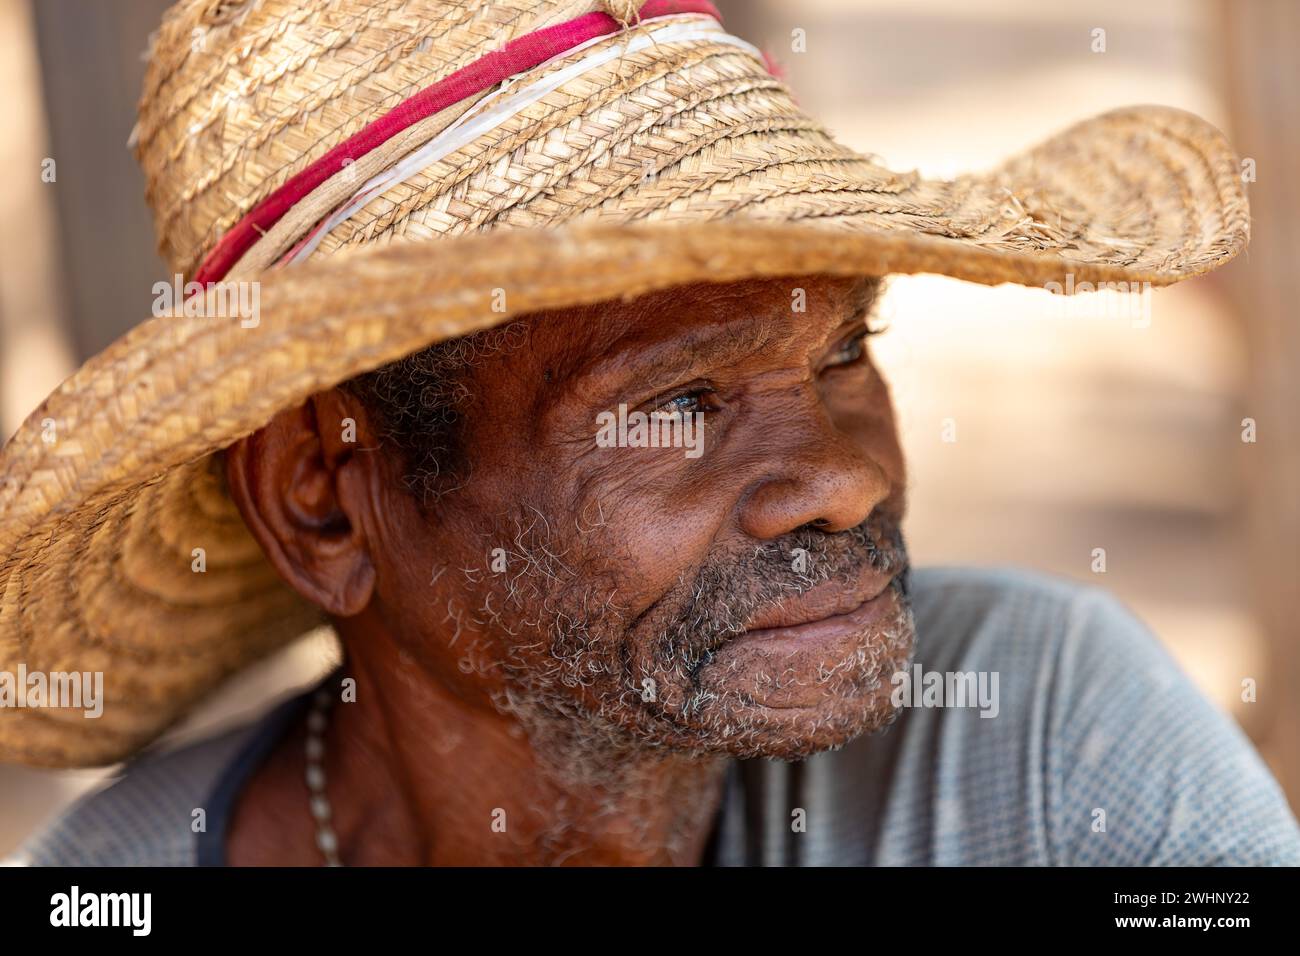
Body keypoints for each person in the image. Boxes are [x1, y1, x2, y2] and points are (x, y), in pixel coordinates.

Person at [3, 0, 1296, 866]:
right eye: (678, 405)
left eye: (846, 352)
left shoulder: (1045, 734)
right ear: (323, 504)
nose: (846, 481)